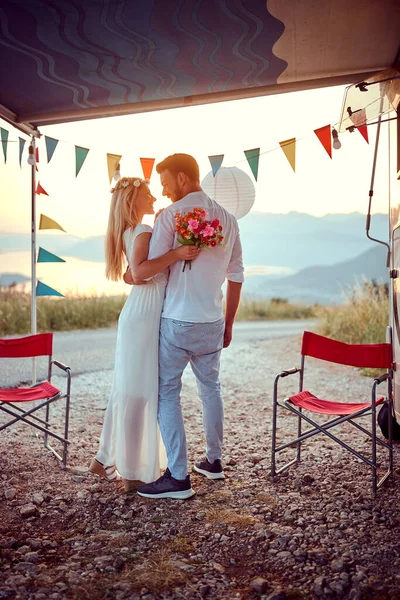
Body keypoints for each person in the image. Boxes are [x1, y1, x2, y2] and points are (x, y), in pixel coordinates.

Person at [128, 154, 244, 500]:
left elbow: (149, 269)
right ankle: (213, 461)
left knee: (167, 392)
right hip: (212, 322)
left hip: (177, 322)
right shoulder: (228, 219)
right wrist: (229, 324)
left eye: (165, 183)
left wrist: (132, 272)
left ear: (182, 178)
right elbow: (235, 276)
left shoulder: (170, 217)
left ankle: (178, 477)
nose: (163, 192)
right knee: (211, 389)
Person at [89, 176, 199, 492]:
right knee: (138, 390)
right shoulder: (143, 231)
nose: (153, 196)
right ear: (133, 201)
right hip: (145, 314)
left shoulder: (131, 231)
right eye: (147, 193)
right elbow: (139, 272)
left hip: (139, 312)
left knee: (126, 387)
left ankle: (103, 459)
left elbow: (131, 273)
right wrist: (177, 254)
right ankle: (132, 472)